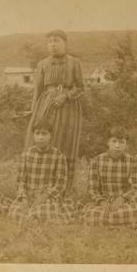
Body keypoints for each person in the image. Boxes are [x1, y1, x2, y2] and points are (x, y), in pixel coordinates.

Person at [25, 29, 84, 194]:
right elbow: (37, 89)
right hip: (45, 106)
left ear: (65, 42)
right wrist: (33, 110)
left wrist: (65, 95)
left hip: (68, 108)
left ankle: (63, 189)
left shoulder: (75, 63)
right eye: (50, 41)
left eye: (56, 40)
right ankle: (39, 187)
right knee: (42, 139)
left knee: (65, 142)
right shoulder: (42, 64)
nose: (53, 44)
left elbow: (80, 88)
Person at [9, 121, 79, 224]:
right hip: (29, 195)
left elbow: (60, 183)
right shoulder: (27, 154)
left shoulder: (58, 156)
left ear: (50, 136)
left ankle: (34, 217)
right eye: (37, 133)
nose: (40, 137)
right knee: (15, 211)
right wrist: (23, 196)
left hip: (48, 196)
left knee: (46, 211)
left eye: (44, 134)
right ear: (33, 136)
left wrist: (46, 196)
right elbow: (21, 180)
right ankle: (32, 217)